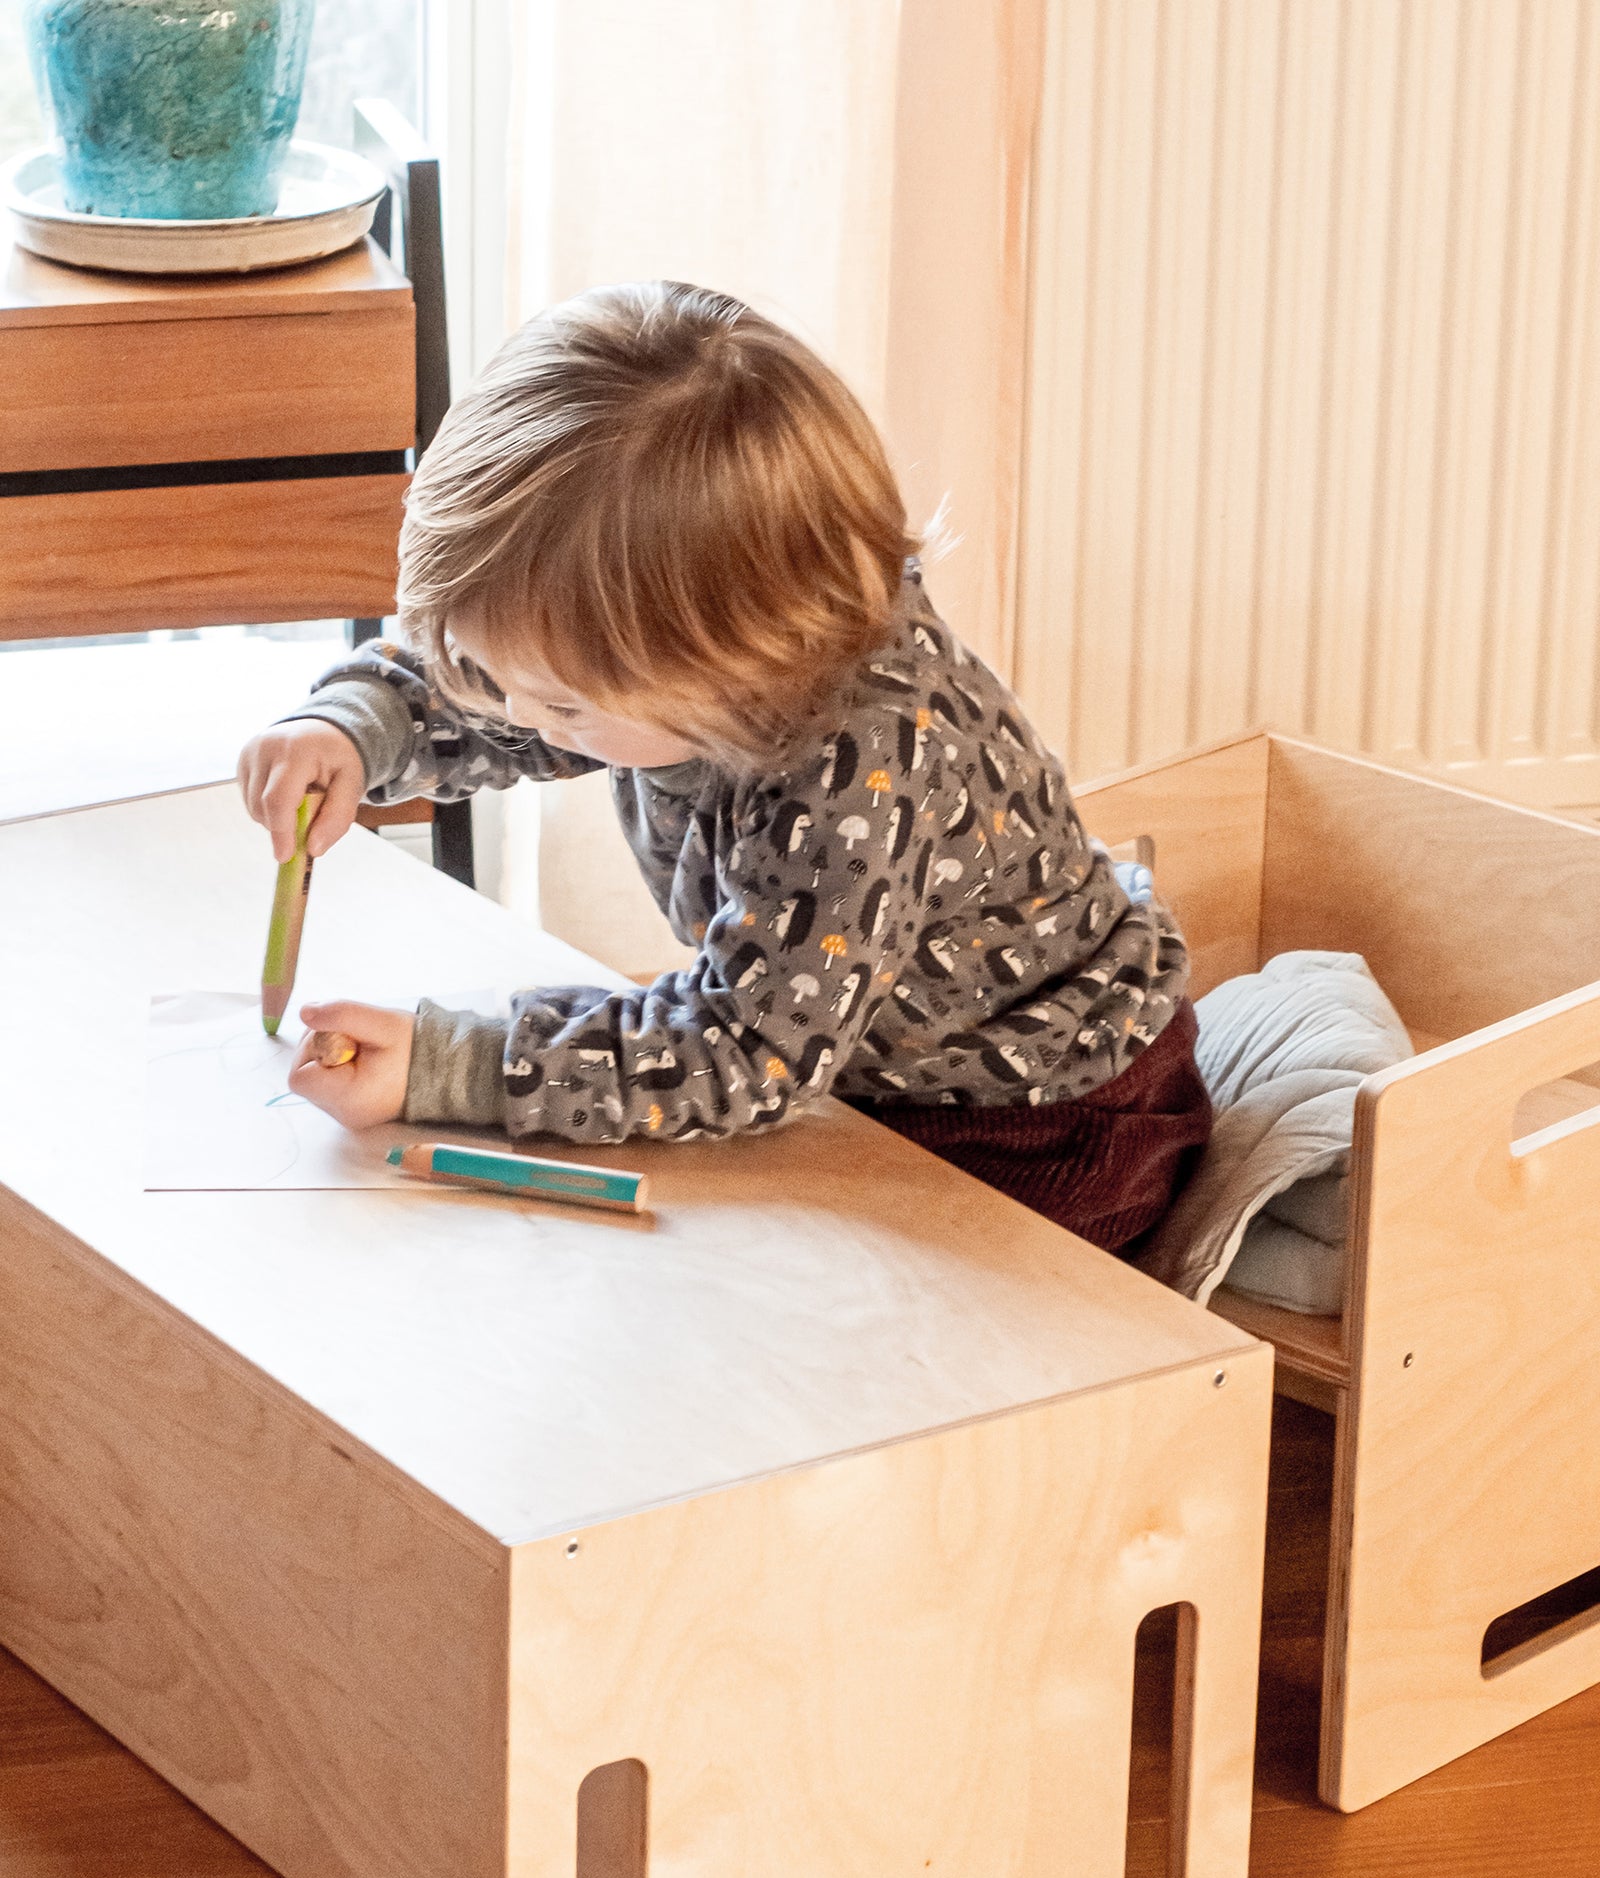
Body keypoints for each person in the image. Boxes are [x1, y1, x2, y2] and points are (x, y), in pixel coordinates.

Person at [237, 281, 1210, 1251]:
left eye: (563, 705)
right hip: (848, 1058)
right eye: (495, 678)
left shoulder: (865, 764)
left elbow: (741, 1050)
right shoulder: (696, 653)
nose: (519, 718)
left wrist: (452, 1070)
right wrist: (355, 725)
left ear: (719, 671)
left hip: (1046, 1125)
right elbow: (517, 696)